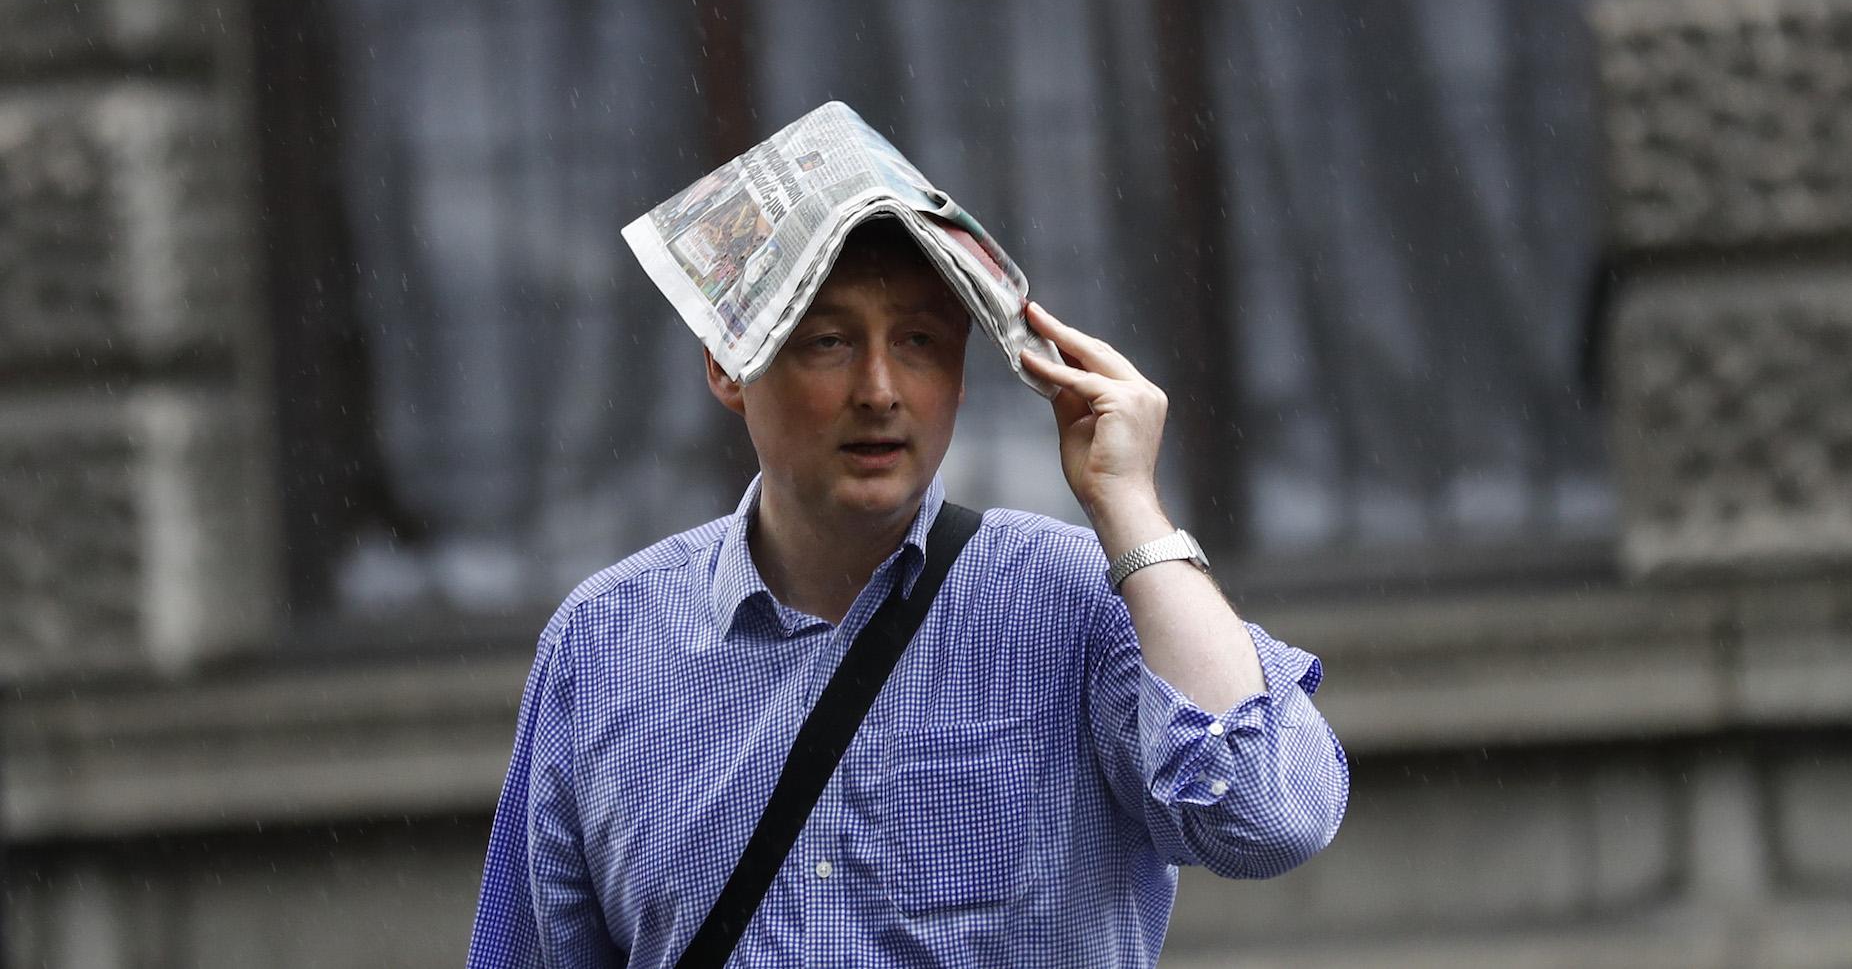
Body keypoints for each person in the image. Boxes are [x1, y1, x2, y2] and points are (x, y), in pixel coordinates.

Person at [467, 217, 1349, 967]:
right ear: (729, 365)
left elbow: (1271, 816)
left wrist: (1130, 507)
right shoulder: (603, 642)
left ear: (961, 374)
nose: (880, 390)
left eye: (919, 341)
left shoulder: (1077, 601)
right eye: (829, 341)